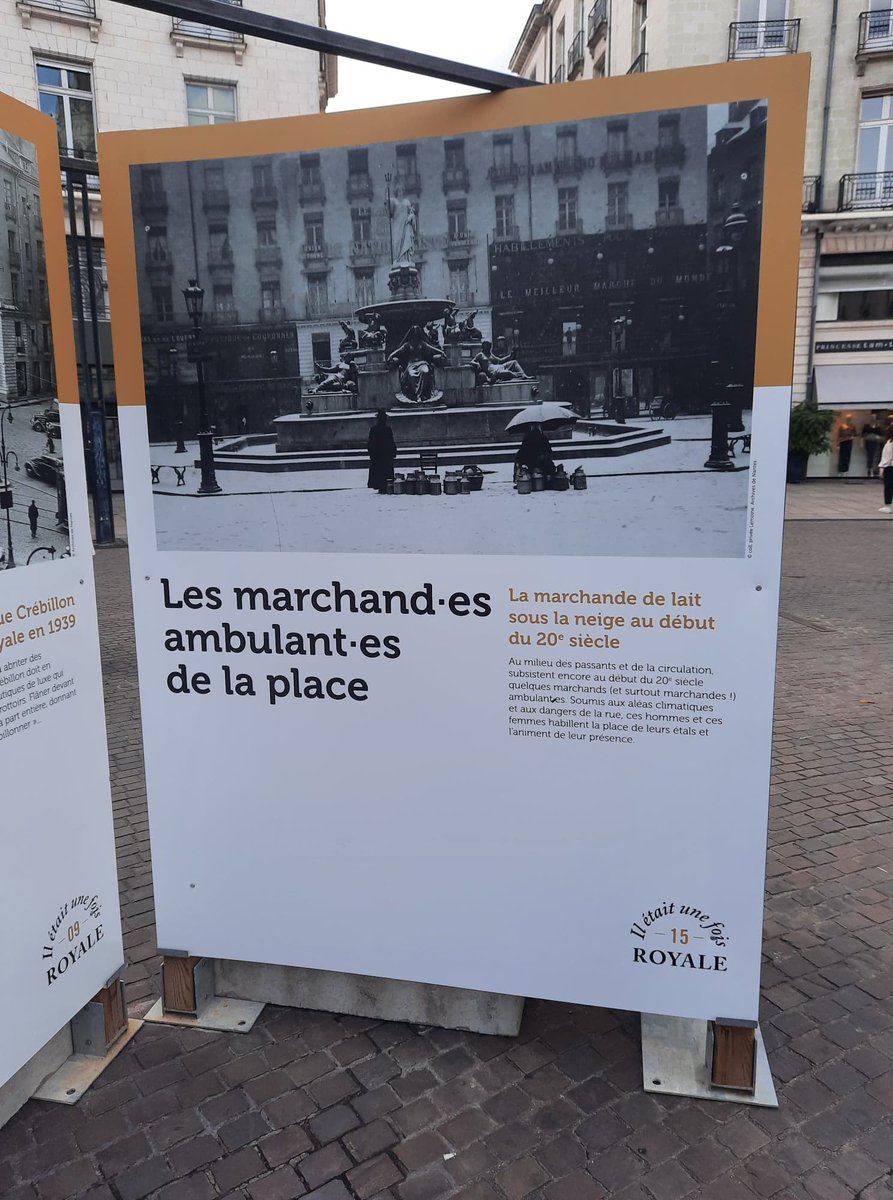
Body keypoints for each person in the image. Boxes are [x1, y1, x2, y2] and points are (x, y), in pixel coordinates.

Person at [387, 325, 444, 404]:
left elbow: (432, 349)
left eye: (417, 333)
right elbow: (398, 351)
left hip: (422, 363)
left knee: (425, 371)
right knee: (412, 375)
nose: (415, 335)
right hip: (411, 365)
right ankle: (418, 396)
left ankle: (422, 395)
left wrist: (442, 352)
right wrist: (390, 355)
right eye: (414, 333)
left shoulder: (422, 343)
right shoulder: (407, 344)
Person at [367, 409, 397, 493]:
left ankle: (380, 485)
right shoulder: (387, 429)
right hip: (386, 456)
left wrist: (372, 453)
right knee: (386, 472)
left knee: (378, 472)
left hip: (377, 456)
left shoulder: (374, 429)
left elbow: (370, 443)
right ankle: (386, 486)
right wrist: (393, 452)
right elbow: (391, 442)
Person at [863, 414, 884, 478]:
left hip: (875, 443)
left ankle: (872, 470)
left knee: (873, 456)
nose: (873, 419)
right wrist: (862, 442)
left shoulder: (878, 427)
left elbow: (881, 436)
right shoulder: (867, 426)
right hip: (868, 442)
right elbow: (863, 435)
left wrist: (877, 437)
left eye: (874, 418)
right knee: (869, 456)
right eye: (872, 417)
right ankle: (869, 470)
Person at [879, 428, 893, 513]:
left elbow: (887, 457)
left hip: (890, 467)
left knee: (888, 487)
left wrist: (882, 467)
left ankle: (887, 506)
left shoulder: (890, 443)